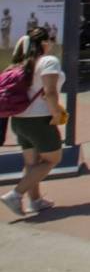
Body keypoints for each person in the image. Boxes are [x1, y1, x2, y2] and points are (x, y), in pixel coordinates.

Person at [1, 27, 65, 217]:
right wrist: (56, 114)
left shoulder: (20, 63)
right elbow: (50, 92)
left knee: (32, 163)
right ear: (45, 42)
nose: (53, 44)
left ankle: (35, 201)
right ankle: (15, 194)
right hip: (40, 120)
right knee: (53, 159)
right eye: (51, 40)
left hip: (20, 120)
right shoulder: (48, 61)